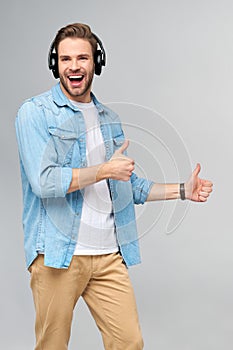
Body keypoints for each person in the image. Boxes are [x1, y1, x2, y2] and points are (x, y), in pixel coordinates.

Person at [15, 23, 213, 350]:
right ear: (56, 64)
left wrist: (182, 190)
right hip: (57, 256)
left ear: (97, 62)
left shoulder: (108, 119)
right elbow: (44, 181)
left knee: (129, 343)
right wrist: (104, 169)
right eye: (65, 59)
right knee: (52, 345)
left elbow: (130, 187)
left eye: (82, 58)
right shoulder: (34, 113)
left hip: (108, 255)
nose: (74, 66)